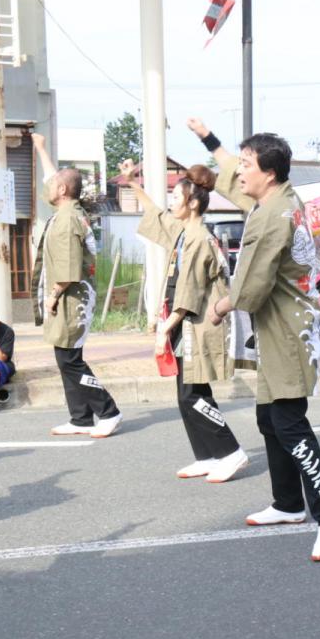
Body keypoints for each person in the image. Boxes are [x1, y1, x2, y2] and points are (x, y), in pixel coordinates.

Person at [187, 116, 320, 562]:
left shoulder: (271, 216)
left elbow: (250, 286)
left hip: (288, 332)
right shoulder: (278, 199)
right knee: (269, 420)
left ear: (269, 173)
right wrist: (207, 138)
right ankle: (287, 503)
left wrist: (219, 308)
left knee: (290, 424)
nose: (239, 172)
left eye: (246, 164)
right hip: (283, 327)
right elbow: (227, 176)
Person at [118, 158, 249, 483]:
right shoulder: (186, 231)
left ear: (192, 204)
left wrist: (163, 330)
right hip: (187, 325)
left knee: (193, 394)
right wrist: (133, 182)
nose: (171, 204)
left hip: (197, 326)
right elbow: (157, 217)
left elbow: (189, 292)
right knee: (187, 393)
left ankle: (231, 452)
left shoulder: (198, 239)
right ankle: (207, 455)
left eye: (176, 199)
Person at [30, 133, 123, 439]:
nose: (47, 185)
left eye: (52, 183)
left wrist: (53, 296)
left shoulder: (68, 218)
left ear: (62, 190)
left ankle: (108, 411)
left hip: (71, 298)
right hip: (70, 297)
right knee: (66, 358)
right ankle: (80, 418)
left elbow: (69, 269)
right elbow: (54, 177)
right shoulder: (68, 211)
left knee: (69, 360)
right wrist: (41, 148)